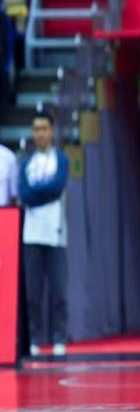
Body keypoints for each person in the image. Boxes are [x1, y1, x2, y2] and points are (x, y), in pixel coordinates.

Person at [19, 110, 69, 357]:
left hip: (55, 234)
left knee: (59, 291)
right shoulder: (26, 163)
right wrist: (43, 193)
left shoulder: (60, 159)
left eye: (44, 129)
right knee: (32, 293)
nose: (40, 133)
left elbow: (57, 187)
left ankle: (59, 337)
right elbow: (24, 194)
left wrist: (37, 193)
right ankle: (35, 339)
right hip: (31, 234)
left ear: (51, 131)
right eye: (36, 129)